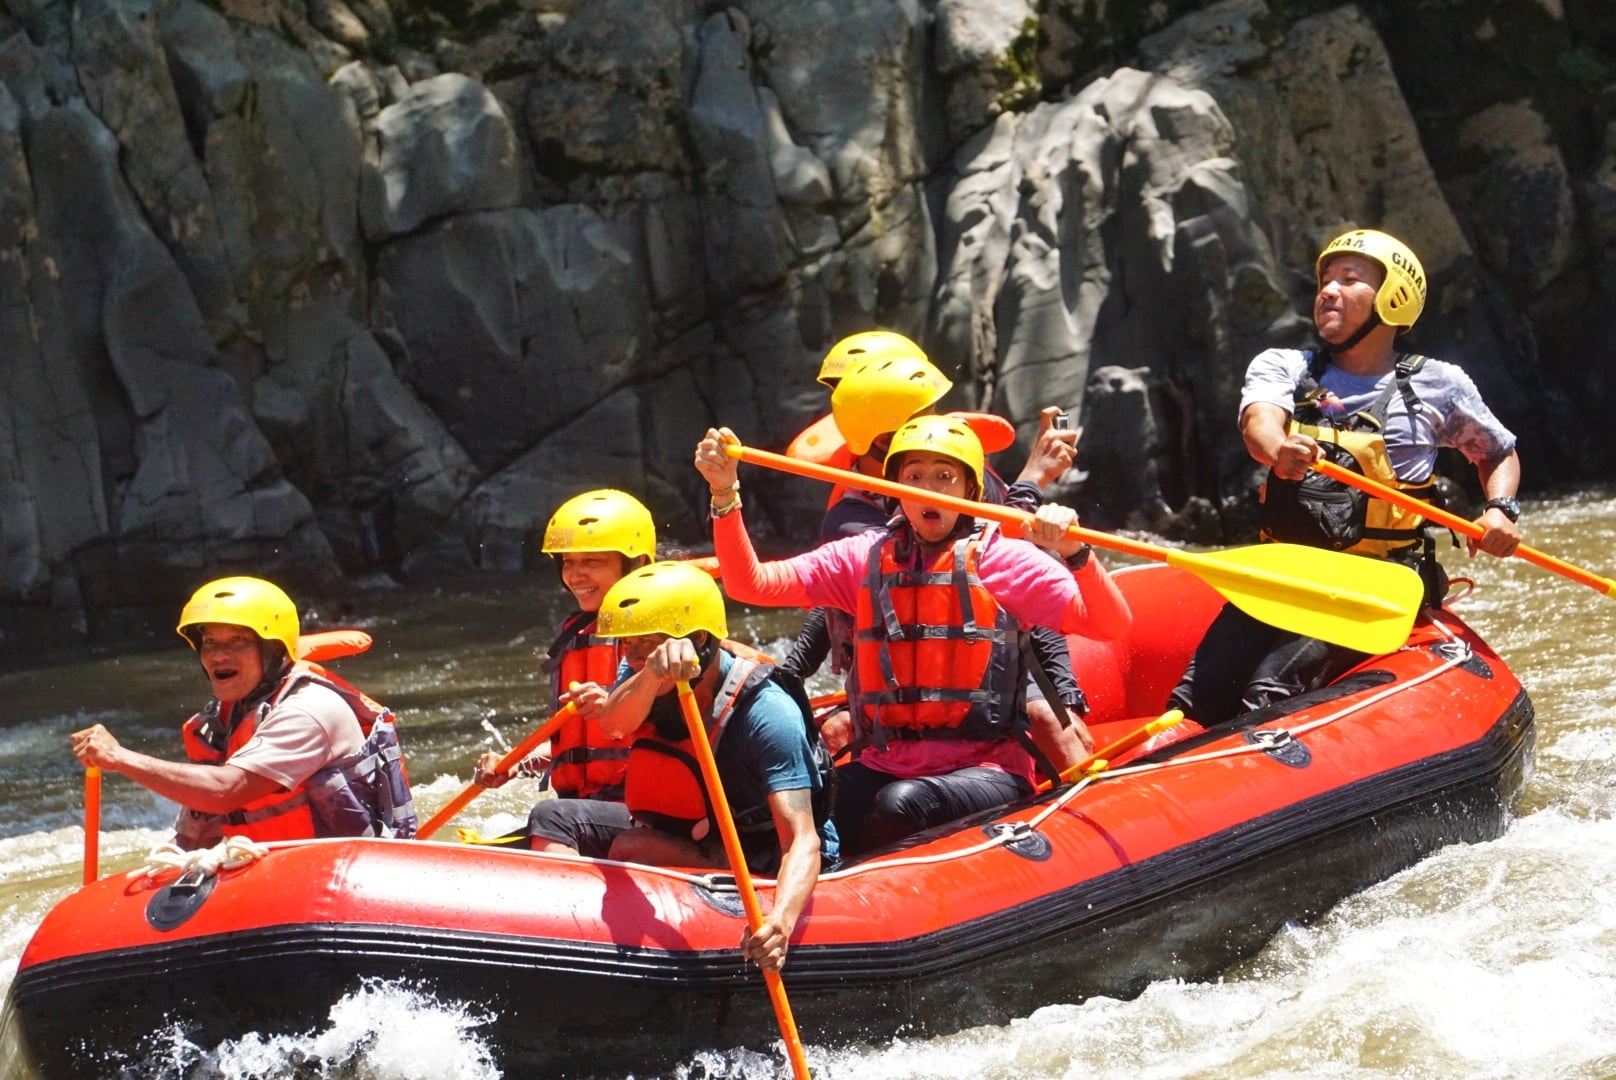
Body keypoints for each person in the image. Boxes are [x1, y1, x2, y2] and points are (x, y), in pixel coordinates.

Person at [696, 415, 1132, 856]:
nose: (930, 488)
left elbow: (1110, 624)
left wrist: (1077, 554)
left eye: (945, 476)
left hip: (986, 767)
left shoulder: (1006, 560)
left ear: (969, 489)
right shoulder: (861, 557)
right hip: (885, 760)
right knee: (792, 805)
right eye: (915, 476)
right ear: (897, 489)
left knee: (899, 806)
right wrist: (724, 494)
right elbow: (749, 585)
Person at [1167, 228, 1522, 726]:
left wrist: (1499, 509)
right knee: (1194, 697)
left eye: (1349, 279)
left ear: (1393, 298)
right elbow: (1258, 422)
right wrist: (1278, 450)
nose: (1328, 291)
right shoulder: (1286, 366)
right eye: (1325, 281)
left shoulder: (1436, 384)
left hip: (1376, 582)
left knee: (1268, 691)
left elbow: (1497, 453)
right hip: (1288, 571)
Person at [781, 336, 1097, 772]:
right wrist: (1030, 483)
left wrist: (1065, 692)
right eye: (919, 413)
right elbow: (947, 568)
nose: (931, 423)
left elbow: (1022, 581)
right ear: (883, 431)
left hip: (987, 653)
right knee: (837, 734)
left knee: (1052, 720)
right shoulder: (853, 518)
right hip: (903, 679)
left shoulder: (959, 466)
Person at [523, 560, 837, 971]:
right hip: (691, 823)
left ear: (701, 640)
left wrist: (781, 921)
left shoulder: (768, 713)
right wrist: (651, 672)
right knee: (553, 817)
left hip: (757, 847)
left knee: (634, 849)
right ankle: (561, 934)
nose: (633, 656)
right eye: (627, 645)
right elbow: (616, 725)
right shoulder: (641, 667)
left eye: (647, 643)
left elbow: (802, 840)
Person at [69, 576, 416, 850]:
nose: (220, 656)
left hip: (345, 875)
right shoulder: (226, 721)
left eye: (238, 642)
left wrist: (119, 758)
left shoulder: (307, 711)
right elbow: (199, 826)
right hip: (282, 878)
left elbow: (226, 790)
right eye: (210, 643)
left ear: (273, 651)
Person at [471, 489, 656, 817]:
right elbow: (575, 748)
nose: (575, 574)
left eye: (592, 562)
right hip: (584, 810)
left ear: (636, 564)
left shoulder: (656, 634)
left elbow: (684, 732)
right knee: (549, 816)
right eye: (568, 562)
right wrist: (516, 763)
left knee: (548, 816)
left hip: (644, 809)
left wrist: (616, 706)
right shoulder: (575, 636)